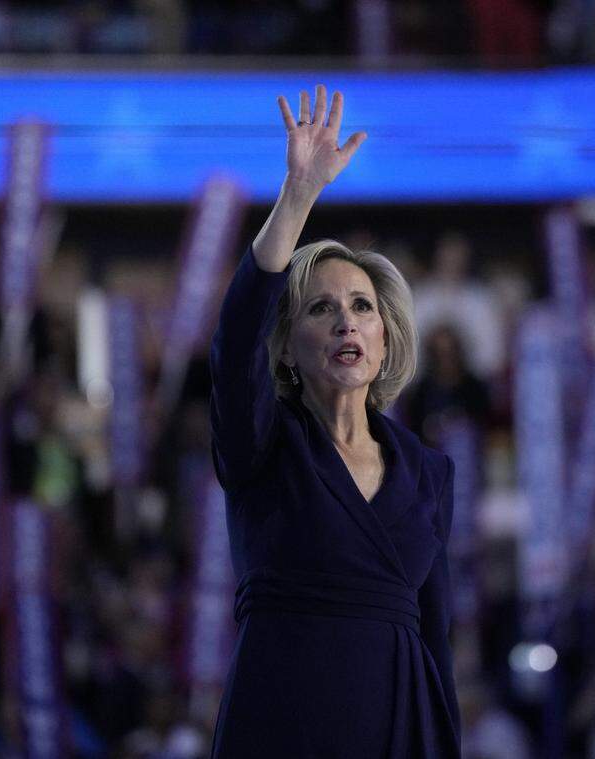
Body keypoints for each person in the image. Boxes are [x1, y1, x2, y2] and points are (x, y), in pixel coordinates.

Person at [207, 85, 460, 757]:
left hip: (401, 724)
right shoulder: (261, 443)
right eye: (321, 309)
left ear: (384, 339)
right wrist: (299, 195)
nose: (346, 319)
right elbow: (234, 343)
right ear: (286, 344)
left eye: (361, 306)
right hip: (283, 717)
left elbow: (436, 636)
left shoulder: (430, 471)